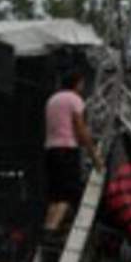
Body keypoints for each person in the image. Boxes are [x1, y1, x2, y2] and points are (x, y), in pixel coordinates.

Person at [42, 71, 104, 237]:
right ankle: (52, 229)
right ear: (77, 84)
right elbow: (80, 127)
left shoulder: (52, 100)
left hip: (50, 149)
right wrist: (94, 154)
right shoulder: (74, 100)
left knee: (55, 195)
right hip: (66, 149)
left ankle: (47, 227)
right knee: (67, 195)